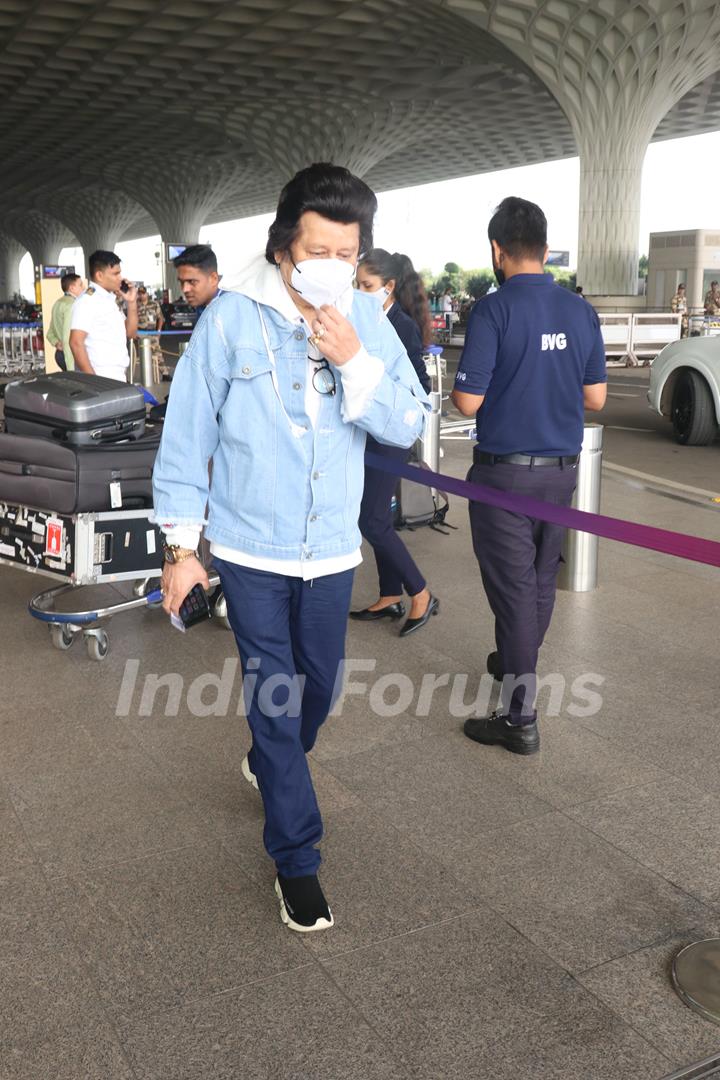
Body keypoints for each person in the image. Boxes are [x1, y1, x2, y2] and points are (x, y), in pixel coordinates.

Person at [153, 163, 429, 933]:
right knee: (275, 703)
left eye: (348, 253)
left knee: (321, 692)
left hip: (333, 548)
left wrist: (353, 360)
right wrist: (182, 547)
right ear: (283, 248)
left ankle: (271, 763)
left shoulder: (364, 320)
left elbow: (408, 421)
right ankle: (297, 858)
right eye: (319, 250)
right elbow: (187, 437)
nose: (333, 267)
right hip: (250, 549)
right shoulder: (232, 318)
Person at [451, 196, 607, 756]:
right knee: (539, 584)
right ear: (544, 247)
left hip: (504, 479)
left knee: (516, 595)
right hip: (562, 476)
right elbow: (597, 396)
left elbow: (468, 402)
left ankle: (519, 719)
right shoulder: (580, 311)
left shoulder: (494, 311)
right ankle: (515, 662)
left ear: (497, 250)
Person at [352, 249, 438, 635]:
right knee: (377, 515)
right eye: (356, 284)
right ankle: (389, 594)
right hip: (372, 428)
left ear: (387, 287)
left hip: (391, 430)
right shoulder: (374, 318)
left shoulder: (398, 325)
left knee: (371, 519)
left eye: (366, 286)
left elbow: (420, 385)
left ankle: (420, 592)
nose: (358, 292)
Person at [69, 250, 137, 381]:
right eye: (115, 274)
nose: (120, 278)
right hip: (101, 376)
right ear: (99, 276)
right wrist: (95, 382)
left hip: (117, 375)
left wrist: (131, 302)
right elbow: (76, 343)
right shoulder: (87, 301)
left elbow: (131, 333)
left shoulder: (109, 300)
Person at [47, 272, 85, 371]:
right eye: (80, 285)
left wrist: (56, 343)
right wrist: (72, 369)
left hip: (60, 354)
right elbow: (67, 338)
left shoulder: (58, 303)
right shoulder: (72, 305)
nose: (84, 287)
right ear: (72, 288)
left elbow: (50, 333)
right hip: (71, 357)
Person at [172, 244, 222, 314]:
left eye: (192, 281)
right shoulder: (203, 306)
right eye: (182, 282)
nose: (185, 289)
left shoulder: (229, 311)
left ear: (213, 279)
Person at [136, 285, 164, 372]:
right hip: (141, 333)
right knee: (144, 355)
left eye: (143, 293)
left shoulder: (154, 304)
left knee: (158, 352)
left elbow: (161, 318)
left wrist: (159, 331)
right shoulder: (135, 305)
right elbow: (131, 319)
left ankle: (164, 372)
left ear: (147, 294)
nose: (141, 296)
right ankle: (146, 374)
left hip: (152, 333)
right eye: (139, 294)